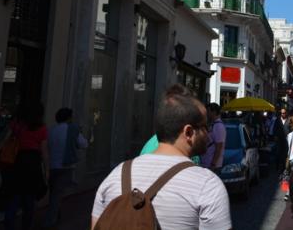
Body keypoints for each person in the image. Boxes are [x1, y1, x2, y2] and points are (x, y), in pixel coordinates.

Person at [91, 85, 230, 229]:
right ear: (188, 132)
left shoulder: (116, 174)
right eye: (205, 127)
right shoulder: (207, 185)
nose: (208, 134)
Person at [0, 103, 49, 230]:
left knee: (13, 199)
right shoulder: (41, 128)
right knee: (29, 202)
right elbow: (44, 152)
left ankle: (9, 226)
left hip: (17, 162)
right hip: (32, 164)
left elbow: (4, 140)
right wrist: (46, 170)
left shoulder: (17, 124)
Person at [43, 107, 88, 228]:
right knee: (57, 194)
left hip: (52, 165)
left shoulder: (52, 130)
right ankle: (50, 220)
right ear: (69, 118)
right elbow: (83, 144)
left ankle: (55, 216)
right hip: (65, 166)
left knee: (54, 192)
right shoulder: (72, 129)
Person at [200, 102, 226, 175]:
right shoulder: (213, 125)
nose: (207, 114)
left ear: (214, 112)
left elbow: (219, 147)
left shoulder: (218, 126)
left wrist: (213, 164)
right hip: (207, 163)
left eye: (208, 111)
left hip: (212, 165)